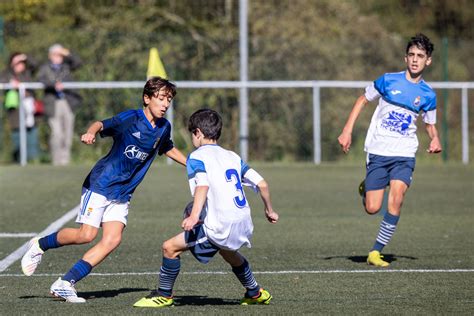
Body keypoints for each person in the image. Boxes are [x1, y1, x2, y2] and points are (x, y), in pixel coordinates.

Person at [21, 77, 187, 303]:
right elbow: (101, 123)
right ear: (147, 98)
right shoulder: (131, 118)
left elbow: (167, 147)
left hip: (122, 193)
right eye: (160, 98)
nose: (165, 104)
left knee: (112, 240)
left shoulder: (164, 127)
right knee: (86, 235)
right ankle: (40, 244)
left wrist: (191, 164)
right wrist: (90, 133)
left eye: (168, 99)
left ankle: (64, 284)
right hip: (101, 183)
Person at [133, 109, 279, 308]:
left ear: (198, 133)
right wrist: (269, 210)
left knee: (169, 248)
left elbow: (202, 186)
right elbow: (262, 184)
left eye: (192, 133)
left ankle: (164, 295)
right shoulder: (232, 156)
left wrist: (194, 216)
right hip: (243, 222)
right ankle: (255, 292)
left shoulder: (196, 157)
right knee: (228, 251)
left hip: (221, 224)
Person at [337, 33, 442, 267]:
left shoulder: (428, 95)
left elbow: (430, 125)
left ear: (428, 61)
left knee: (397, 199)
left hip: (404, 155)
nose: (415, 60)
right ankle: (367, 187)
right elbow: (362, 100)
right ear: (405, 58)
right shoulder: (388, 80)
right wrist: (347, 130)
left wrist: (435, 139)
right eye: (412, 55)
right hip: (378, 151)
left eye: (421, 56)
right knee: (372, 208)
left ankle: (375, 251)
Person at [37, 44, 82, 166]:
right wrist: (53, 85)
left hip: (67, 102)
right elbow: (40, 79)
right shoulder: (45, 68)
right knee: (57, 133)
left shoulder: (66, 66)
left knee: (68, 132)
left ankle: (65, 161)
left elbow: (78, 63)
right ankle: (56, 161)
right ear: (50, 56)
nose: (58, 57)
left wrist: (67, 53)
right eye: (56, 54)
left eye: (60, 55)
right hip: (53, 103)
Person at [1, 52, 41, 162]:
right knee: (17, 137)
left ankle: (33, 160)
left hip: (30, 110)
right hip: (15, 111)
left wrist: (25, 56)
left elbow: (36, 64)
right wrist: (10, 83)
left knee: (32, 135)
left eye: (21, 62)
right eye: (17, 63)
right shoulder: (6, 73)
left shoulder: (27, 73)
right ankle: (18, 160)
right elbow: (2, 81)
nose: (19, 65)